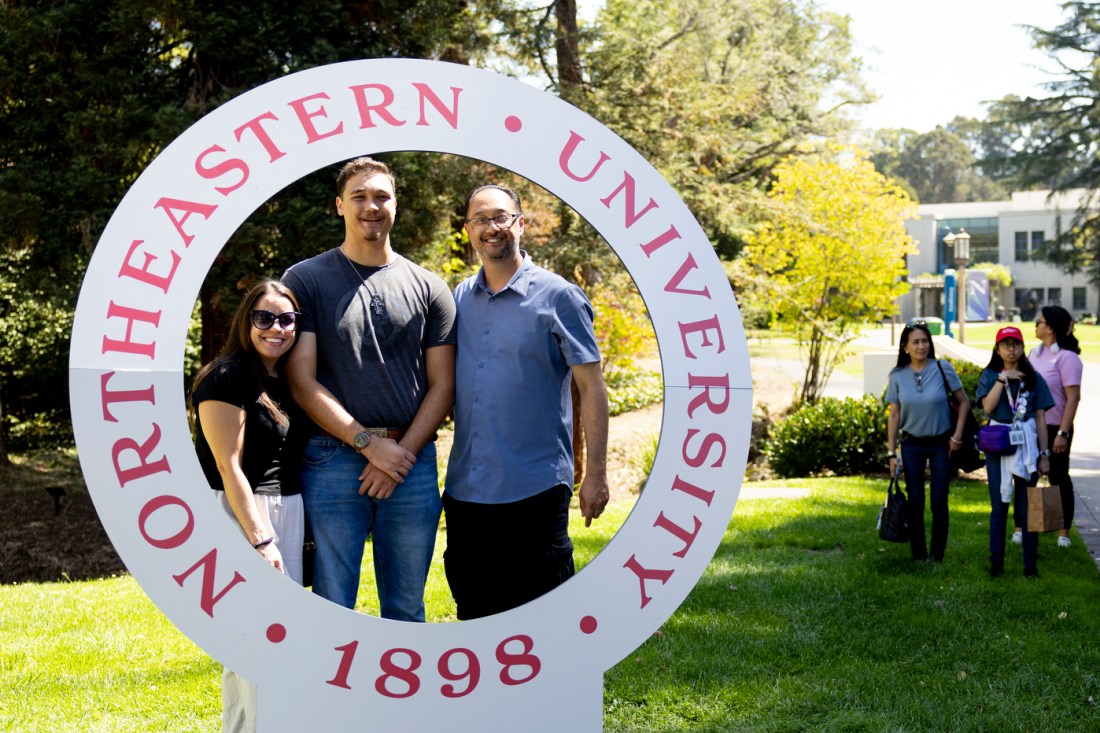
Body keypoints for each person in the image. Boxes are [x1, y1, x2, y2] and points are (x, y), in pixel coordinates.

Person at [282, 157, 456, 620]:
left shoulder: (430, 287)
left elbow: (443, 385)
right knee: (331, 605)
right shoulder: (306, 280)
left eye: (381, 196)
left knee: (406, 607)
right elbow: (301, 381)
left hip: (411, 463)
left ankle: (404, 695)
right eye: (359, 196)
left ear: (396, 205)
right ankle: (329, 694)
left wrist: (397, 455)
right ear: (340, 205)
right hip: (332, 458)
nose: (370, 206)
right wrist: (366, 443)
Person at [443, 184, 611, 620]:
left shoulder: (560, 297)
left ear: (520, 223)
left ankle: (554, 691)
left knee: (543, 616)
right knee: (473, 611)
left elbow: (592, 387)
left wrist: (595, 475)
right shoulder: (460, 299)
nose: (491, 228)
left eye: (500, 217)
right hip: (467, 492)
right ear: (468, 231)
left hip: (534, 486)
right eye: (480, 219)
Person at [191, 279, 304, 733]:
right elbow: (227, 464)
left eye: (286, 319)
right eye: (264, 318)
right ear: (246, 321)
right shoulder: (228, 375)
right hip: (246, 513)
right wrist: (261, 539)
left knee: (270, 643)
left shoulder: (279, 376)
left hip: (285, 510)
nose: (275, 327)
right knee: (257, 641)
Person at [885, 319, 971, 562]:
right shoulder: (897, 376)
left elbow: (964, 402)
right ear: (905, 347)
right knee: (915, 501)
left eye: (925, 341)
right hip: (911, 444)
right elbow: (894, 414)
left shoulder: (943, 368)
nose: (921, 346)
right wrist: (892, 454)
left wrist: (957, 437)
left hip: (941, 444)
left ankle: (937, 555)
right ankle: (919, 554)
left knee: (938, 500)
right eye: (915, 342)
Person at [977, 326, 1054, 578]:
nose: (1011, 348)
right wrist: (1003, 378)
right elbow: (987, 408)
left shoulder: (1033, 378)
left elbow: (1041, 418)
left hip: (1027, 446)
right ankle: (996, 563)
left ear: (1022, 347)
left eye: (1015, 344)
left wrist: (1044, 454)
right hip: (998, 445)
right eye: (1005, 344)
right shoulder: (989, 375)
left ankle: (1030, 565)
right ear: (997, 349)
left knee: (1027, 507)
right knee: (999, 506)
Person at [1010, 305, 1082, 548]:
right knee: (1025, 477)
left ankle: (1063, 533)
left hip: (1056, 428)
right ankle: (1021, 527)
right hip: (1033, 427)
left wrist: (1062, 432)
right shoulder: (1033, 353)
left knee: (1058, 477)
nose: (1036, 325)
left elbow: (1073, 398)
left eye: (1039, 321)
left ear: (1050, 327)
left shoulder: (1067, 358)